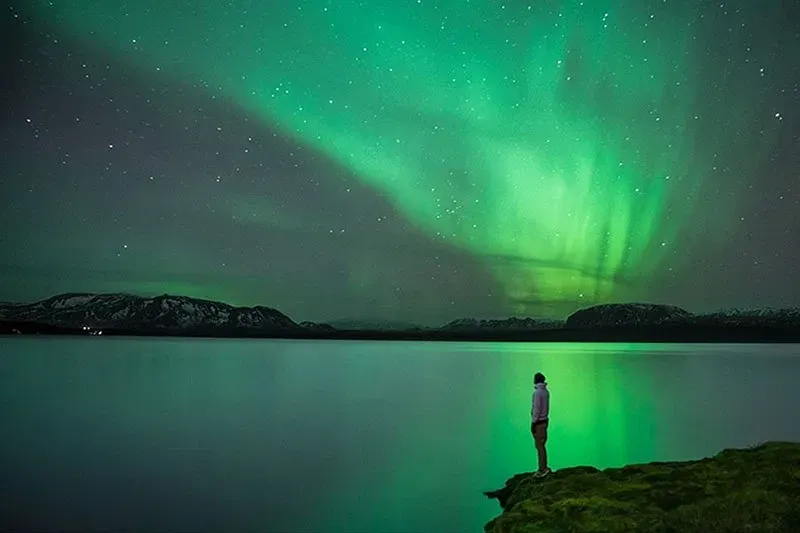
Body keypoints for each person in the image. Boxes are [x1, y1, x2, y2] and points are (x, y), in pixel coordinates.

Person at [531, 372, 551, 477]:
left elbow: (536, 409)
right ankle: (543, 467)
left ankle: (542, 469)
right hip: (544, 421)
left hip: (539, 423)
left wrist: (533, 423)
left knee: (539, 446)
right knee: (541, 445)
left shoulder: (537, 393)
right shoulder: (545, 392)